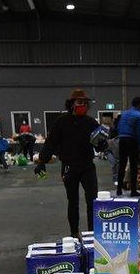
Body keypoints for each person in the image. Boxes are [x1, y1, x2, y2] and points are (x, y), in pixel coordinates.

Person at [35, 89, 102, 237]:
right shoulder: (61, 122)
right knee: (73, 202)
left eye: (85, 103)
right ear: (72, 104)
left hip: (87, 167)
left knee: (93, 201)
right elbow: (50, 142)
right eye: (80, 102)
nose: (83, 105)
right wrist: (42, 161)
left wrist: (103, 144)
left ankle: (92, 234)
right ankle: (74, 234)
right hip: (68, 167)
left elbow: (99, 144)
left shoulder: (91, 122)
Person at [115, 97, 140, 196]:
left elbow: (118, 127)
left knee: (122, 165)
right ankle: (133, 191)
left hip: (122, 140)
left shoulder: (124, 113)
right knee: (133, 166)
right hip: (132, 141)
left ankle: (119, 189)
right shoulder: (139, 116)